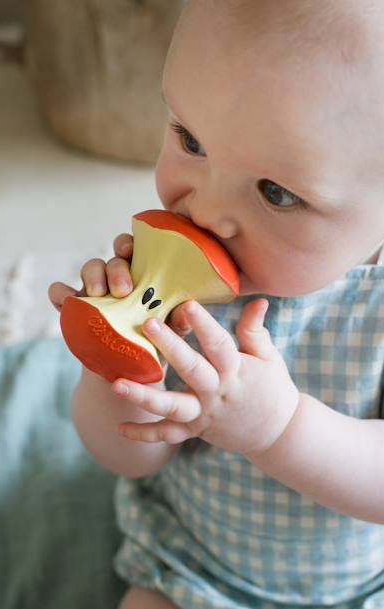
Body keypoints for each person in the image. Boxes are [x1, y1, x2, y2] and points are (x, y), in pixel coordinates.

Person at [48, 1, 384, 607]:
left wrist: (278, 430)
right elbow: (128, 458)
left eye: (276, 192)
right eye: (191, 139)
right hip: (191, 570)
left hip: (359, 589)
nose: (204, 213)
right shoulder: (166, 291)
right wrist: (115, 368)